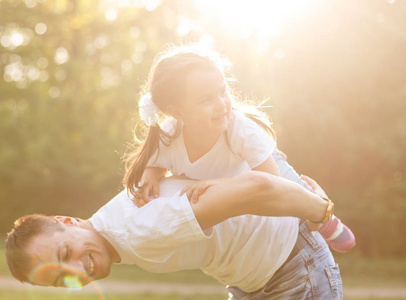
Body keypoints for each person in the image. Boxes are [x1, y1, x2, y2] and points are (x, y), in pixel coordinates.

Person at [123, 44, 354, 252]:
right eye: (206, 99)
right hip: (242, 184)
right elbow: (154, 163)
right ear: (177, 112)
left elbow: (272, 182)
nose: (222, 104)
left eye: (223, 91)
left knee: (297, 195)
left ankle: (328, 218)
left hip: (266, 174)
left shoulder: (238, 128)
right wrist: (150, 176)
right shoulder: (168, 135)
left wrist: (219, 184)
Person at [6, 170, 342, 299]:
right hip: (254, 284)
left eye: (66, 255)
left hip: (294, 275)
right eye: (60, 278)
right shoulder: (115, 222)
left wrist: (319, 212)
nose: (77, 273)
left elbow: (259, 186)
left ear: (67, 221)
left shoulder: (138, 231)